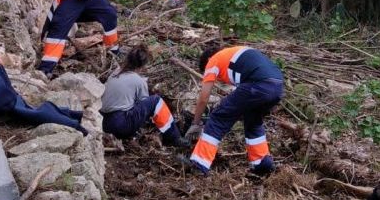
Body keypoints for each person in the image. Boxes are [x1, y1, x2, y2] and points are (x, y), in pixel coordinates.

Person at [184, 46, 283, 175]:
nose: (218, 79)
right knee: (253, 121)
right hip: (277, 86)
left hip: (257, 85)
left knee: (219, 117)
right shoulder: (234, 53)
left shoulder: (213, 60)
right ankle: (262, 164)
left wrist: (195, 123)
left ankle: (199, 163)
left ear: (208, 60)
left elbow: (203, 98)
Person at [100, 45, 189, 148]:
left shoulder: (115, 72)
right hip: (120, 125)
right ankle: (175, 138)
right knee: (155, 101)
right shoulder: (138, 80)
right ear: (142, 65)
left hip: (103, 122)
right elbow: (145, 108)